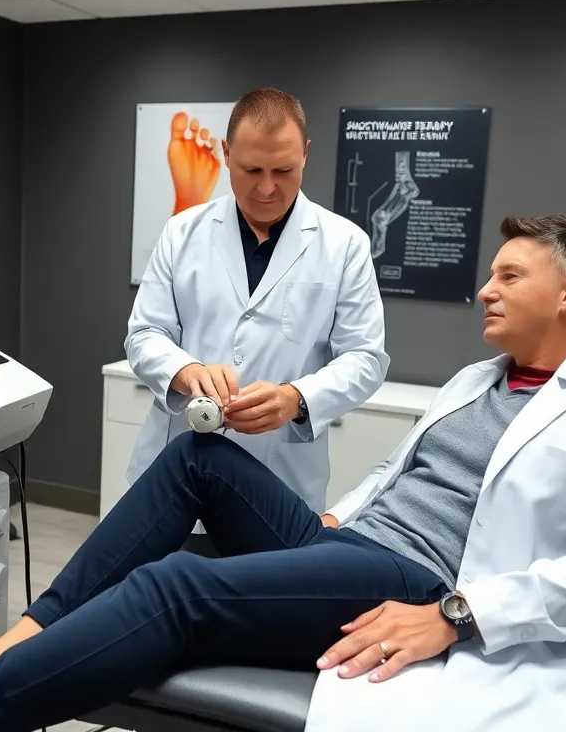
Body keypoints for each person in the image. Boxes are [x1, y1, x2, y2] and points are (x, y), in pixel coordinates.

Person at [0, 214, 566, 732]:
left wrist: (458, 614)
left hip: (424, 580)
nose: (484, 291)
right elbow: (398, 470)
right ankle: (7, 651)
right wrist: (337, 518)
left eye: (508, 276)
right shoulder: (475, 380)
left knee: (180, 583)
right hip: (361, 543)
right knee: (195, 455)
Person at [123, 87, 388, 548]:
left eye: (283, 170)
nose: (267, 188)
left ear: (305, 154)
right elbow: (144, 334)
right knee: (160, 603)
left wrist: (296, 398)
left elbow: (365, 358)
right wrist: (185, 371)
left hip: (280, 481)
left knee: (259, 613)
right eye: (251, 170)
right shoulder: (182, 232)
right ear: (226, 154)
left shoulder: (344, 245)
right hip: (178, 465)